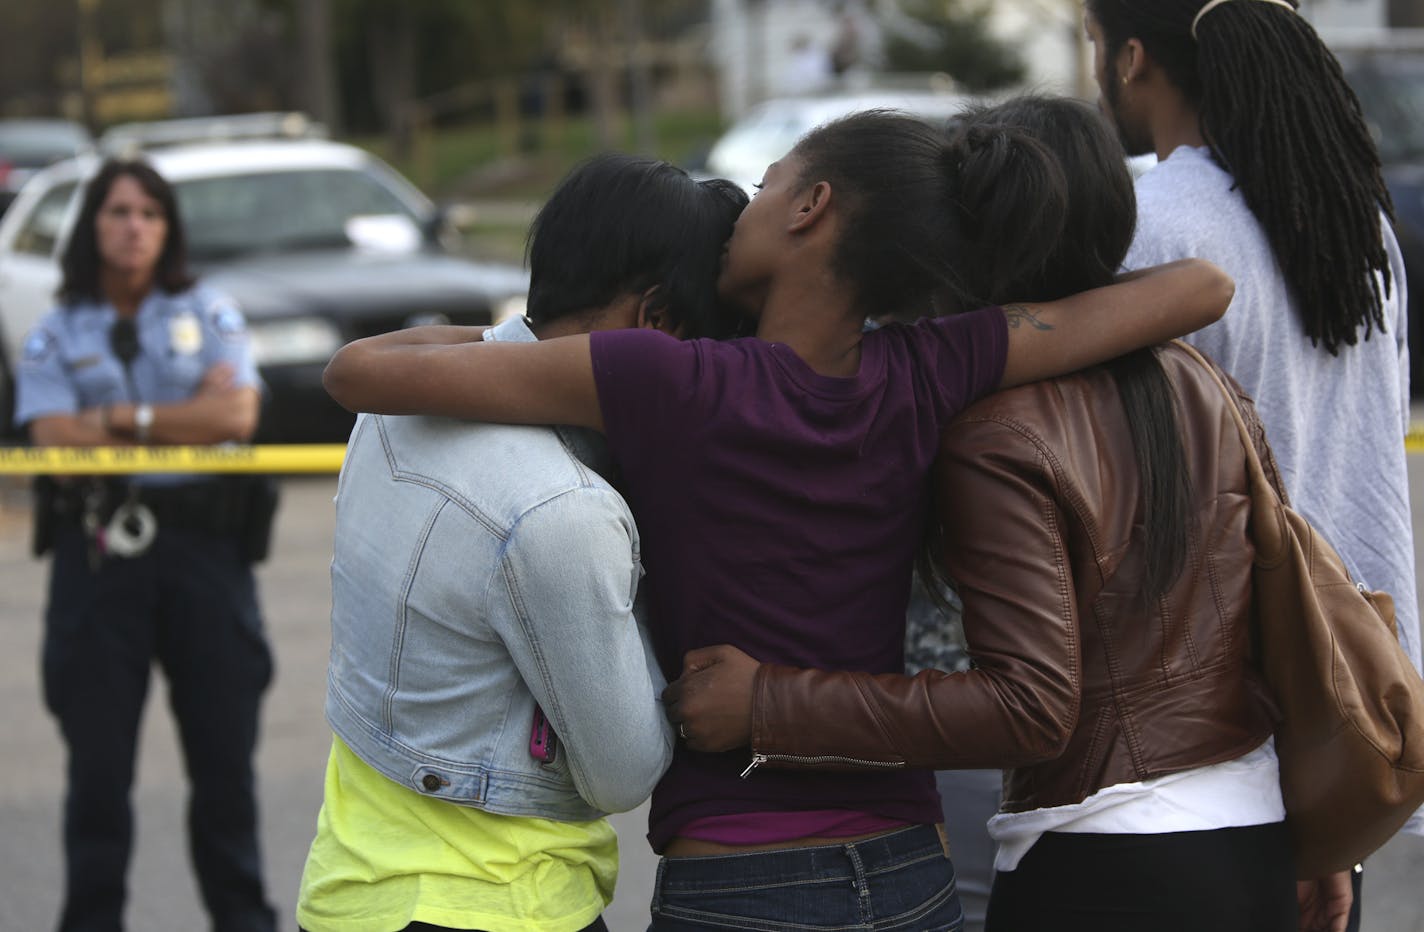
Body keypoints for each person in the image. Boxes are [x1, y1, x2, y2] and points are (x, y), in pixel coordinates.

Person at [322, 110, 1233, 928]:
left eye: (763, 189)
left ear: (812, 206)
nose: (744, 210)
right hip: (912, 866)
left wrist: (514, 339)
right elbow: (1199, 288)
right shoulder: (934, 366)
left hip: (743, 877)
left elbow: (360, 373)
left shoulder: (667, 379)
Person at [663, 95, 1336, 931]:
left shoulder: (997, 429)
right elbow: (1272, 615)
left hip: (1100, 856)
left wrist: (769, 704)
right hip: (1249, 830)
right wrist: (1318, 831)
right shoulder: (1197, 381)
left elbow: (1029, 706)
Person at [294, 154, 749, 932]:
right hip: (501, 904)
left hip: (347, 892)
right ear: (660, 322)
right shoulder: (562, 511)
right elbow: (623, 771)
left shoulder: (396, 401)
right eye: (708, 348)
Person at [1083, 1, 1422, 925]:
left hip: (1190, 741)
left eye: (1092, 45)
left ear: (1132, 60)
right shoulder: (1361, 229)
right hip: (1340, 711)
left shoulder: (1144, 226)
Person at [14, 158, 278, 931]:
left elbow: (235, 419)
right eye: (119, 211)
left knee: (225, 775)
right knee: (97, 778)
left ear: (169, 230)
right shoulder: (58, 328)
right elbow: (52, 436)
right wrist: (173, 417)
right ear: (91, 225)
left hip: (206, 551)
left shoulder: (211, 310)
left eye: (151, 214)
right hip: (100, 555)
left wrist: (118, 421)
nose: (134, 227)